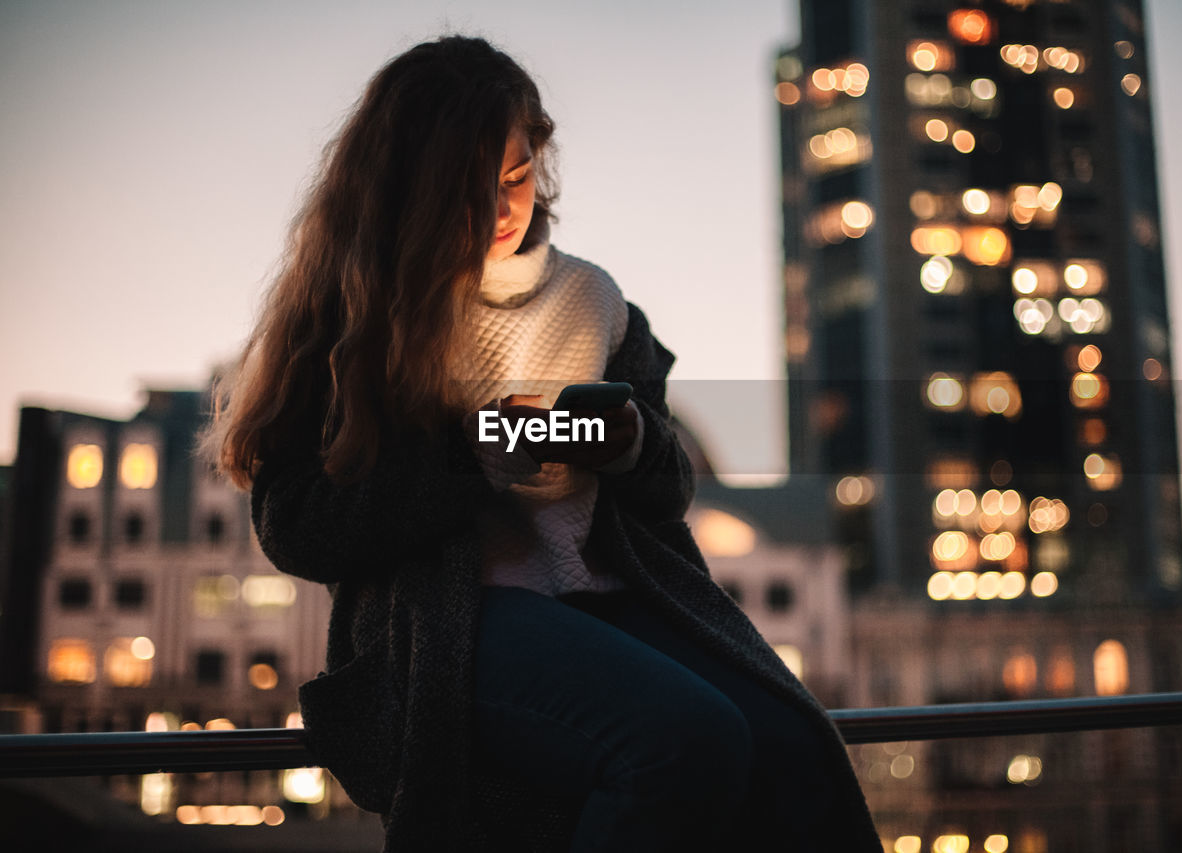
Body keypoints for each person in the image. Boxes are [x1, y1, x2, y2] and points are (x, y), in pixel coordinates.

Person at [204, 35, 881, 852]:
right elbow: (297, 525)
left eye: (517, 178)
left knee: (794, 746)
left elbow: (668, 497)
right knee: (686, 739)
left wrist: (631, 444)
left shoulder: (595, 303)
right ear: (407, 191)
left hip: (615, 598)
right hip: (446, 624)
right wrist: (469, 459)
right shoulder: (354, 322)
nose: (500, 211)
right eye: (464, 192)